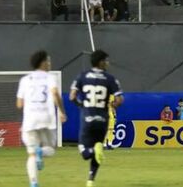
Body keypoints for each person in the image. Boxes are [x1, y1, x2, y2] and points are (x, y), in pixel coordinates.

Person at [70, 50, 123, 187]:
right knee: (98, 147)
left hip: (87, 117)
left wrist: (81, 105)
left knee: (84, 151)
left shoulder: (82, 76)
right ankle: (90, 180)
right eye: (106, 61)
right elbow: (119, 100)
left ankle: (94, 150)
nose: (108, 63)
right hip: (103, 119)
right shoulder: (111, 79)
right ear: (101, 62)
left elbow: (72, 96)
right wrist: (112, 105)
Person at [16, 50, 67, 187]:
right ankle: (41, 151)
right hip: (46, 119)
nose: (49, 64)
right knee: (50, 149)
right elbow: (55, 93)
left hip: (30, 121)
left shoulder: (25, 80)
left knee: (31, 154)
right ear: (43, 62)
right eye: (48, 61)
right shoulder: (50, 78)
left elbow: (19, 104)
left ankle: (34, 182)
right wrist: (62, 112)